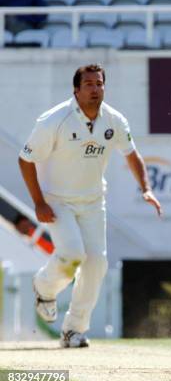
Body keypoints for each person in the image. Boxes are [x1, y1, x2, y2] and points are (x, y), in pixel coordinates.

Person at [18, 64, 162, 348]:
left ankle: (74, 330)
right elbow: (25, 160)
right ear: (76, 89)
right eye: (88, 84)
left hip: (94, 201)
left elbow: (132, 155)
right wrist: (38, 203)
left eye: (99, 84)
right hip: (57, 201)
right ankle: (44, 288)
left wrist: (146, 188)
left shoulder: (114, 120)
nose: (95, 89)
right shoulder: (54, 120)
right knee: (72, 254)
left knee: (96, 264)